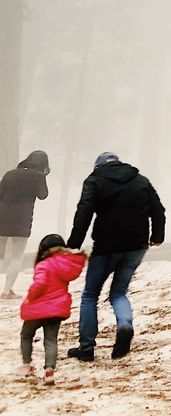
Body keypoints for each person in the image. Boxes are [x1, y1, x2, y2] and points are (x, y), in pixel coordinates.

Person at [65, 152, 166, 362]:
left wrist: (73, 243)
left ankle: (86, 347)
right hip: (136, 246)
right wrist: (157, 237)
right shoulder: (140, 180)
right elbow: (158, 210)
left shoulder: (95, 181)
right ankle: (125, 324)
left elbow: (84, 212)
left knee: (90, 295)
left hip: (106, 247)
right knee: (119, 292)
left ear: (98, 166)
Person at [16, 234, 85, 385]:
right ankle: (49, 371)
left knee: (26, 335)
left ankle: (26, 364)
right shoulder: (65, 265)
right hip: (56, 310)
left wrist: (30, 297)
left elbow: (39, 284)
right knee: (51, 340)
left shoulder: (44, 264)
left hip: (38, 309)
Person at [0, 150, 51, 299]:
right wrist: (43, 176)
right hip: (21, 221)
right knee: (17, 256)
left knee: (0, 255)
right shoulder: (38, 176)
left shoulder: (10, 174)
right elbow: (43, 195)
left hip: (2, 217)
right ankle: (6, 291)